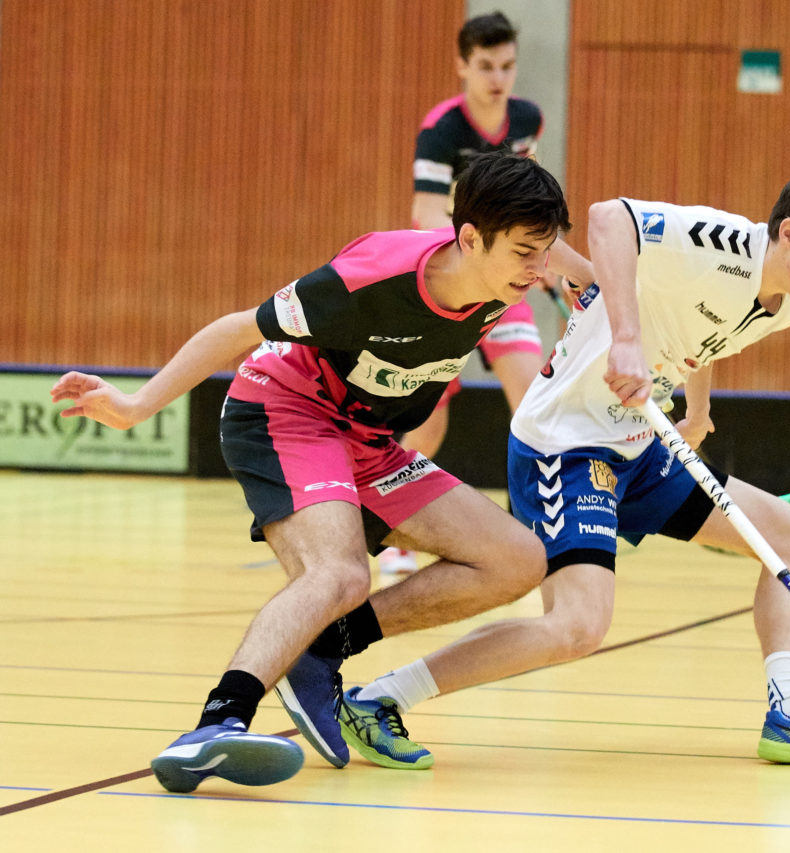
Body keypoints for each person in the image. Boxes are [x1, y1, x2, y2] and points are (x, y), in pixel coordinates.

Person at [283, 161, 790, 769]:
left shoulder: (786, 301)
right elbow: (610, 219)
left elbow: (696, 328)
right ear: (789, 233)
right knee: (577, 627)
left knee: (789, 534)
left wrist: (698, 407)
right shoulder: (722, 243)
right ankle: (378, 697)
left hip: (641, 443)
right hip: (568, 444)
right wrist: (626, 338)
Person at [51, 153, 591, 792]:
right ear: (469, 238)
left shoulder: (513, 269)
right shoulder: (370, 280)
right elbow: (237, 329)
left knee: (516, 561)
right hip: (288, 409)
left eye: (545, 252)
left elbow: (587, 266)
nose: (540, 271)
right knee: (337, 572)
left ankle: (323, 647)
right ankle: (215, 727)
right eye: (527, 254)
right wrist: (137, 405)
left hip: (369, 438)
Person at [380, 10, 552, 575]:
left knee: (534, 406)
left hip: (505, 289)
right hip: (452, 289)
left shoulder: (527, 120)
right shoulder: (443, 129)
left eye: (506, 66)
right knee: (429, 420)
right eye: (484, 67)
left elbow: (527, 199)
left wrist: (537, 258)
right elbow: (427, 214)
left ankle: (533, 525)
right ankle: (393, 528)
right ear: (462, 66)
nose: (497, 79)